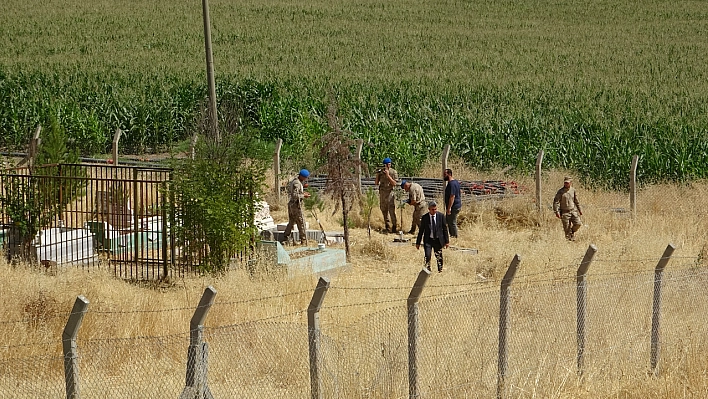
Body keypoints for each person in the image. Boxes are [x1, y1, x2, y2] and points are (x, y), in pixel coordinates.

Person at [415, 201, 450, 273]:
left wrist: (447, 241)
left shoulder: (441, 216)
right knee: (427, 255)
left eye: (435, 209)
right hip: (428, 240)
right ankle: (427, 270)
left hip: (438, 240)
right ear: (429, 209)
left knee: (439, 256)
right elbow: (421, 231)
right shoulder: (425, 218)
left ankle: (440, 269)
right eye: (432, 209)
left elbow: (445, 229)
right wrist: (418, 242)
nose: (434, 211)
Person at [283, 169, 311, 245]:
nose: (306, 179)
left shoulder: (296, 181)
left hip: (292, 205)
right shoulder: (297, 183)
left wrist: (303, 193)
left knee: (291, 222)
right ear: (302, 176)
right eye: (305, 177)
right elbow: (295, 195)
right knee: (301, 223)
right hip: (296, 206)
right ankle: (303, 240)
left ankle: (285, 237)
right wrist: (304, 196)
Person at [553, 176, 583, 241]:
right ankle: (569, 241)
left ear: (571, 183)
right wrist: (556, 211)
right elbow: (556, 202)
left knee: (578, 224)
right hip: (564, 212)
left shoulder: (573, 190)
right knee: (566, 228)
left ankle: (572, 232)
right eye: (565, 183)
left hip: (573, 211)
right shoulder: (560, 191)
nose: (566, 184)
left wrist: (580, 210)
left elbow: (576, 201)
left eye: (567, 183)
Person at [375, 157, 399, 233]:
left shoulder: (393, 172)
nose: (388, 166)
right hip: (382, 193)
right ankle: (387, 226)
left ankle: (394, 226)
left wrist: (388, 175)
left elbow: (394, 183)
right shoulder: (381, 172)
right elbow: (376, 183)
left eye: (389, 164)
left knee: (391, 210)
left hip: (390, 193)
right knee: (383, 209)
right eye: (386, 165)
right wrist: (377, 174)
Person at [443, 168, 462, 238]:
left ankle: (455, 236)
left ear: (449, 174)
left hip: (453, 206)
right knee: (448, 221)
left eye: (445, 174)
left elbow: (452, 196)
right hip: (455, 205)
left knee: (452, 222)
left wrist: (449, 208)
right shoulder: (455, 182)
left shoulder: (451, 184)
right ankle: (451, 235)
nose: (444, 176)